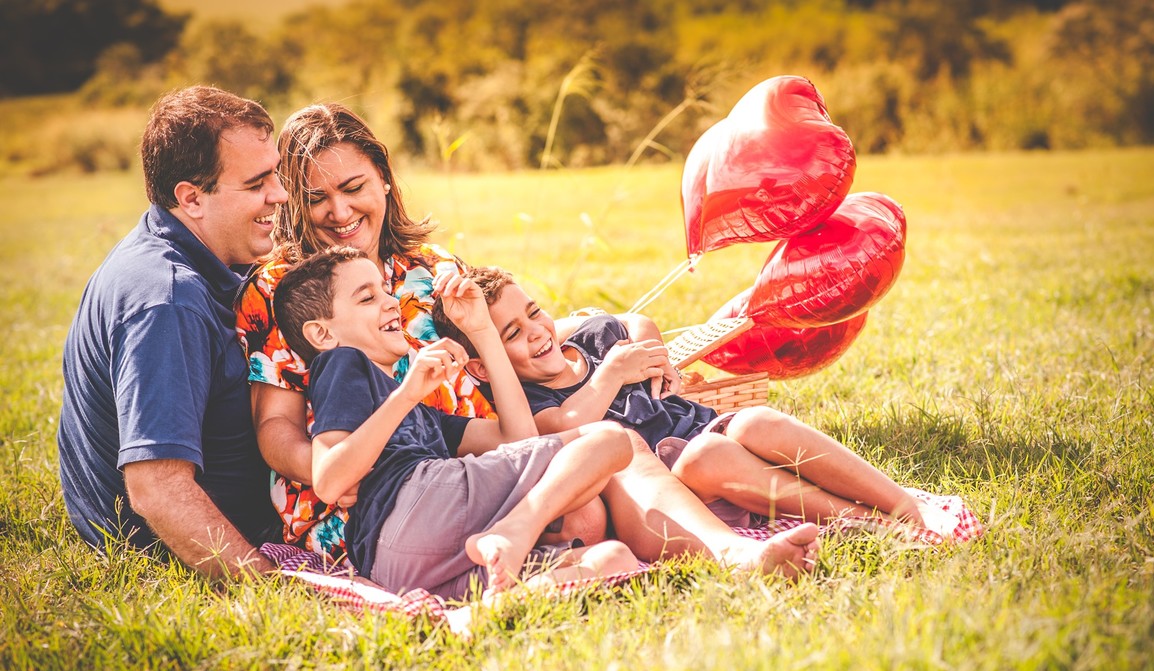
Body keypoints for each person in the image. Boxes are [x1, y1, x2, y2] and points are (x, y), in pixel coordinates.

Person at [237, 102, 821, 578]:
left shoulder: (430, 267)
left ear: (384, 181)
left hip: (476, 456)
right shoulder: (283, 289)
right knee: (603, 457)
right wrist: (336, 470)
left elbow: (514, 330)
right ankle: (728, 551)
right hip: (371, 496)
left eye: (353, 187)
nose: (338, 211)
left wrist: (622, 326)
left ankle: (691, 553)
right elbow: (275, 429)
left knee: (592, 502)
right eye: (316, 198)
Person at [433, 266, 932, 530]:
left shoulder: (592, 337)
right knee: (712, 456)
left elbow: (630, 322)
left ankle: (901, 504)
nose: (536, 333)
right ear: (483, 366)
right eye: (513, 334)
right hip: (673, 483)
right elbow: (566, 421)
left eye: (535, 313)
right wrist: (611, 376)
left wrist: (655, 351)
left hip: (702, 425)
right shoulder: (527, 402)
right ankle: (859, 520)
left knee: (757, 420)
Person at [272, 246, 639, 599]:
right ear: (322, 334)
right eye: (367, 298)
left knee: (611, 560)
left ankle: (484, 607)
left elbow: (518, 438)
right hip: (414, 505)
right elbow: (330, 480)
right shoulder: (343, 363)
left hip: (401, 568)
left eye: (385, 290)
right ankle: (517, 530)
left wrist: (482, 331)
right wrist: (406, 395)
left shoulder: (422, 414)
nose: (389, 302)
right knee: (608, 438)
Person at [58, 86, 285, 578]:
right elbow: (157, 489)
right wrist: (267, 586)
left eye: (277, 174)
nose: (280, 194)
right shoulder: (167, 301)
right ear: (192, 198)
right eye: (256, 183)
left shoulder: (186, 248)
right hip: (175, 547)